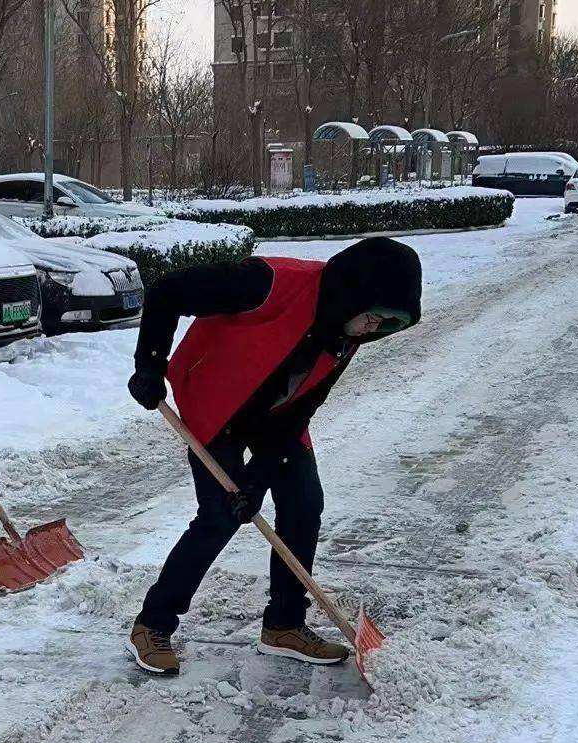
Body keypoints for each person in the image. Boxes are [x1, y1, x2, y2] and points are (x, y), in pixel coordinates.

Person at [126, 233, 422, 675]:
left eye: (386, 324)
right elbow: (169, 290)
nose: (373, 330)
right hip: (214, 398)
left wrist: (256, 477)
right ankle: (153, 624)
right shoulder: (266, 283)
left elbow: (302, 409)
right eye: (374, 317)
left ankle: (284, 624)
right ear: (354, 292)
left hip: (276, 415)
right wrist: (150, 365)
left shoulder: (346, 332)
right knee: (220, 515)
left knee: (303, 502)